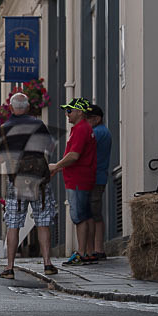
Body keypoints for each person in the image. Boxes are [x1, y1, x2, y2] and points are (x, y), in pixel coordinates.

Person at [0, 93, 57, 279]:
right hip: (39, 180)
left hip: (16, 180)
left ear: (11, 108)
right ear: (28, 107)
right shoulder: (38, 124)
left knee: (13, 224)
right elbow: (50, 148)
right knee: (43, 222)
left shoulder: (4, 128)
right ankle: (47, 264)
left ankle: (9, 268)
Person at [49, 97, 97, 266]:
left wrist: (56, 165)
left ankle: (81, 253)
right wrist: (57, 169)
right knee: (86, 215)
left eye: (69, 111)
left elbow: (74, 156)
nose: (67, 114)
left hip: (78, 179)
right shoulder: (81, 128)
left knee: (79, 217)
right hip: (81, 177)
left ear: (80, 112)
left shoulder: (81, 129)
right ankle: (89, 252)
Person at [85, 105, 111, 261]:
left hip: (94, 177)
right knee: (95, 213)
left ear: (97, 118)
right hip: (97, 176)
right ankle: (96, 248)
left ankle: (96, 249)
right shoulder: (102, 132)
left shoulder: (97, 133)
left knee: (93, 214)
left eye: (87, 119)